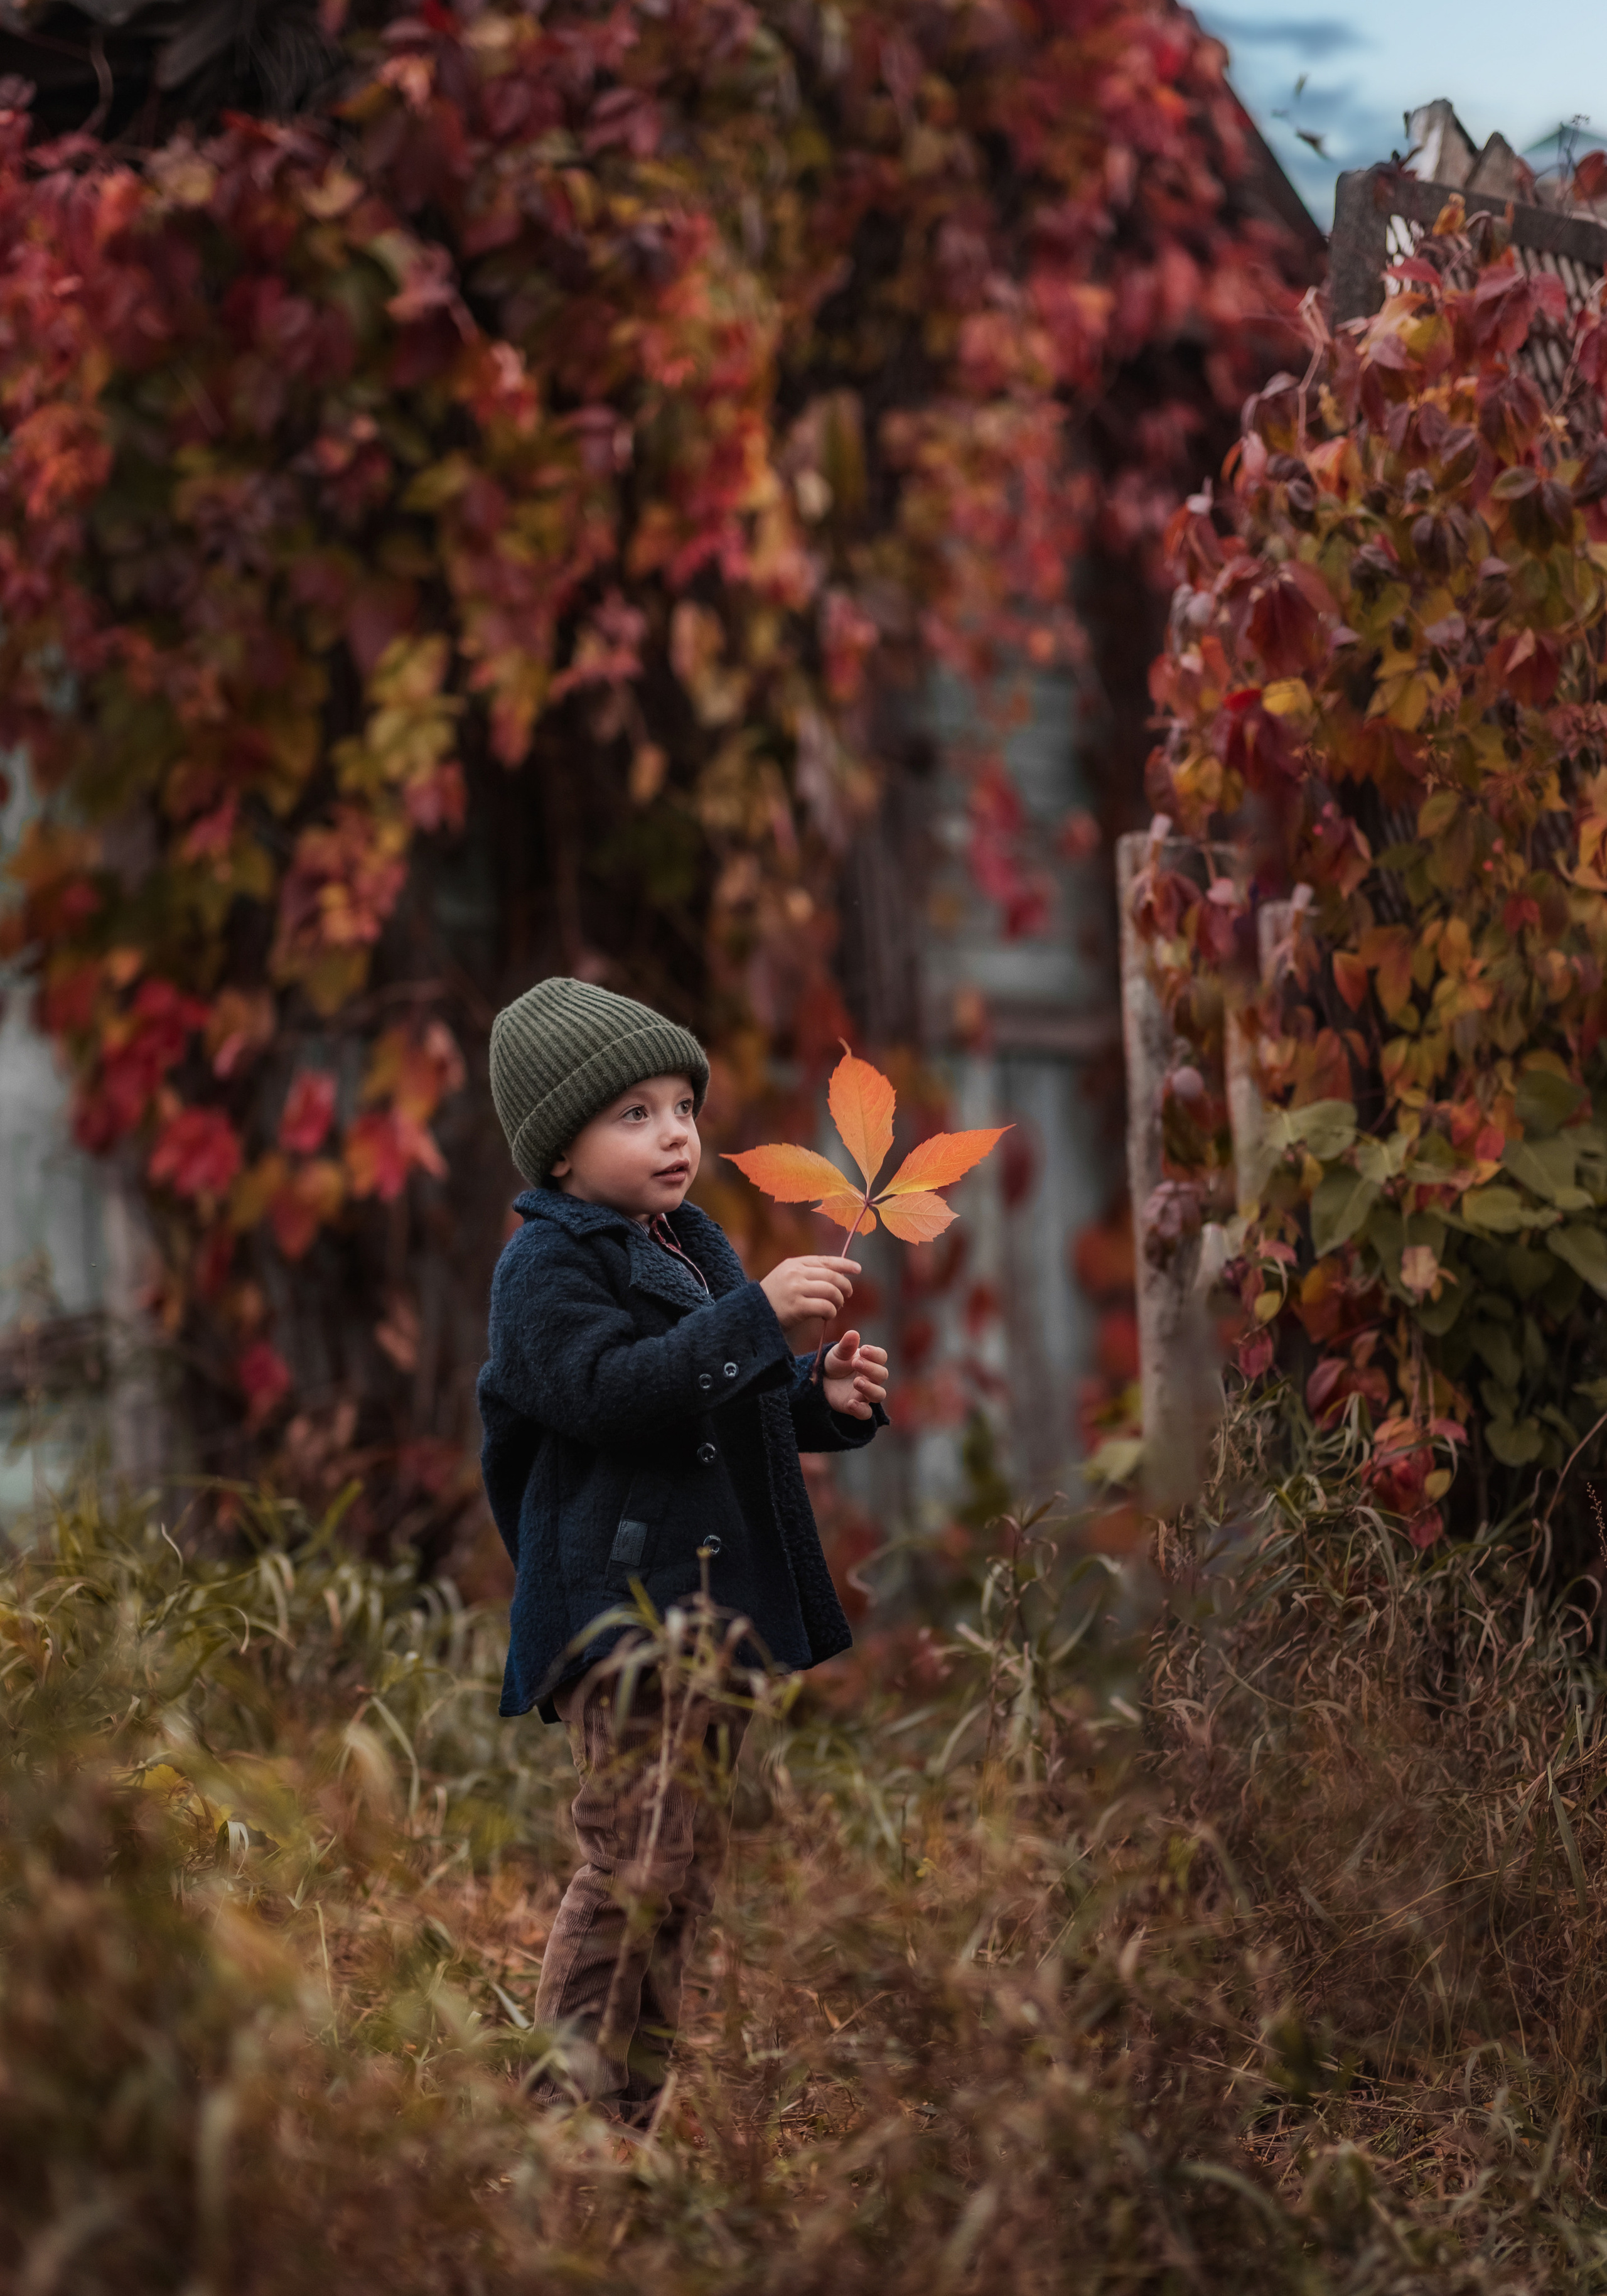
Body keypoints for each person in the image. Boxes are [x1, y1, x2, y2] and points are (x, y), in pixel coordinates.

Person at [478, 975, 888, 2120]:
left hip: (706, 1608)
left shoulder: (689, 1245)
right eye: (635, 1114)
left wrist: (819, 1396)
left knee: (683, 1875)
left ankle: (623, 2127)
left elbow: (717, 1410)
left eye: (682, 1107)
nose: (675, 1133)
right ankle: (559, 2128)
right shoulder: (546, 1269)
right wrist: (755, 1318)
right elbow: (610, 1395)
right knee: (635, 1859)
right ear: (560, 1151)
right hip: (624, 1615)